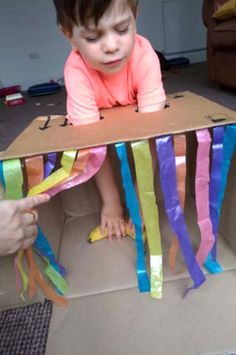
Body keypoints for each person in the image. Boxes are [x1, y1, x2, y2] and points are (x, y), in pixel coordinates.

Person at [53, 0, 166, 239]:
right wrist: (111, 201)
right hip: (97, 120)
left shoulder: (145, 56)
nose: (112, 46)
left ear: (135, 16)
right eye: (93, 37)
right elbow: (91, 141)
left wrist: (142, 197)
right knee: (89, 137)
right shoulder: (76, 70)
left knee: (154, 131)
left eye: (123, 29)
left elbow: (154, 133)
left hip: (140, 114)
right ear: (69, 36)